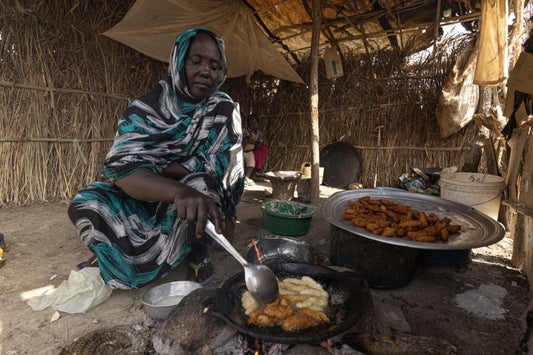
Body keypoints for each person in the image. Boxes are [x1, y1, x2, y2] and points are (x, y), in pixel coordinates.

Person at [68, 28, 245, 289]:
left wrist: (158, 170)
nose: (206, 71)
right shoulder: (145, 109)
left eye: (215, 66)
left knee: (203, 186)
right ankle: (112, 254)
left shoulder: (222, 110)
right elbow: (123, 171)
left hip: (187, 203)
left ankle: (196, 251)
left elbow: (222, 169)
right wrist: (175, 186)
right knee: (88, 201)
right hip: (145, 196)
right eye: (196, 61)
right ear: (178, 61)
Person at [242, 114, 268, 186]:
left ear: (258, 123)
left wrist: (253, 142)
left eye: (255, 123)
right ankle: (241, 177)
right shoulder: (246, 130)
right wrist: (253, 142)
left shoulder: (259, 133)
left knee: (251, 164)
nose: (253, 125)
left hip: (251, 151)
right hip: (242, 150)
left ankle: (247, 177)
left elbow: (259, 145)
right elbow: (245, 140)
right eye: (251, 123)